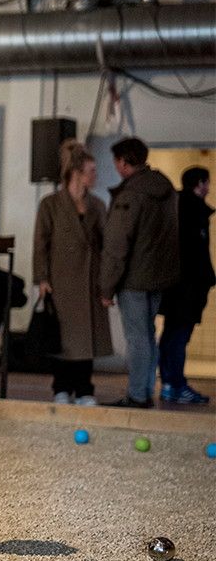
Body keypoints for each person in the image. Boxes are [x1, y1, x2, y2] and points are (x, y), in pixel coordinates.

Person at [100, 137, 180, 409]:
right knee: (148, 336)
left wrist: (106, 287)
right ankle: (145, 391)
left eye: (116, 162)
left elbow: (117, 244)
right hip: (157, 278)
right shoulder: (164, 188)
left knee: (137, 339)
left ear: (123, 162)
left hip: (133, 279)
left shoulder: (131, 194)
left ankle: (136, 396)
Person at [32, 139, 111, 406]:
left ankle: (85, 389)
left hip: (90, 282)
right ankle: (61, 388)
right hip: (60, 282)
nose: (96, 176)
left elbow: (107, 246)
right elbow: (40, 243)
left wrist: (107, 282)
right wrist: (41, 278)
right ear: (76, 173)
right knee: (61, 339)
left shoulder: (98, 205)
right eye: (92, 171)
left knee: (85, 340)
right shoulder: (51, 204)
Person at [159, 166, 215, 404]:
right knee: (178, 337)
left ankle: (170, 384)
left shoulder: (180, 208)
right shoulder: (193, 212)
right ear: (200, 183)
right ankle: (176, 385)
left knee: (172, 336)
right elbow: (196, 255)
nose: (209, 187)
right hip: (185, 290)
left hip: (178, 288)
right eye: (208, 182)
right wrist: (206, 279)